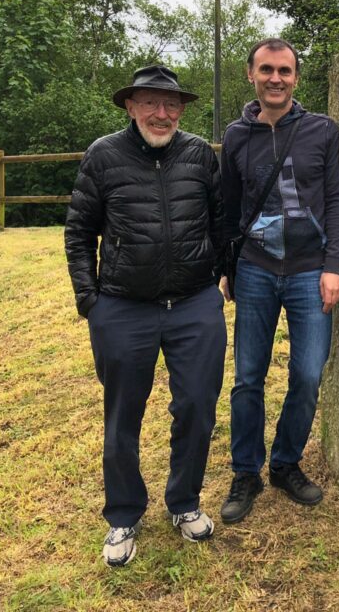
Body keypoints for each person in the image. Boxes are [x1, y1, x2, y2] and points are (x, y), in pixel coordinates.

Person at [65, 65, 226, 567]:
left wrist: (221, 280)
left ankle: (184, 502)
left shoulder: (200, 154)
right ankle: (123, 514)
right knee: (123, 416)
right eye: (151, 103)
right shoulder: (103, 155)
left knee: (197, 408)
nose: (162, 113)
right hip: (123, 309)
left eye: (172, 104)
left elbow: (222, 223)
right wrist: (91, 301)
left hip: (195, 305)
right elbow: (78, 232)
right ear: (130, 107)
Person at [218, 38, 339, 523]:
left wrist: (334, 265)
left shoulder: (321, 131)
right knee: (248, 377)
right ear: (251, 74)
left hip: (311, 272)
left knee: (308, 373)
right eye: (267, 70)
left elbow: (335, 198)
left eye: (285, 71)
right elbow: (229, 209)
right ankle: (245, 472)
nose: (276, 78)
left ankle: (286, 463)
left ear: (296, 78)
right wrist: (226, 269)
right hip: (253, 269)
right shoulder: (235, 136)